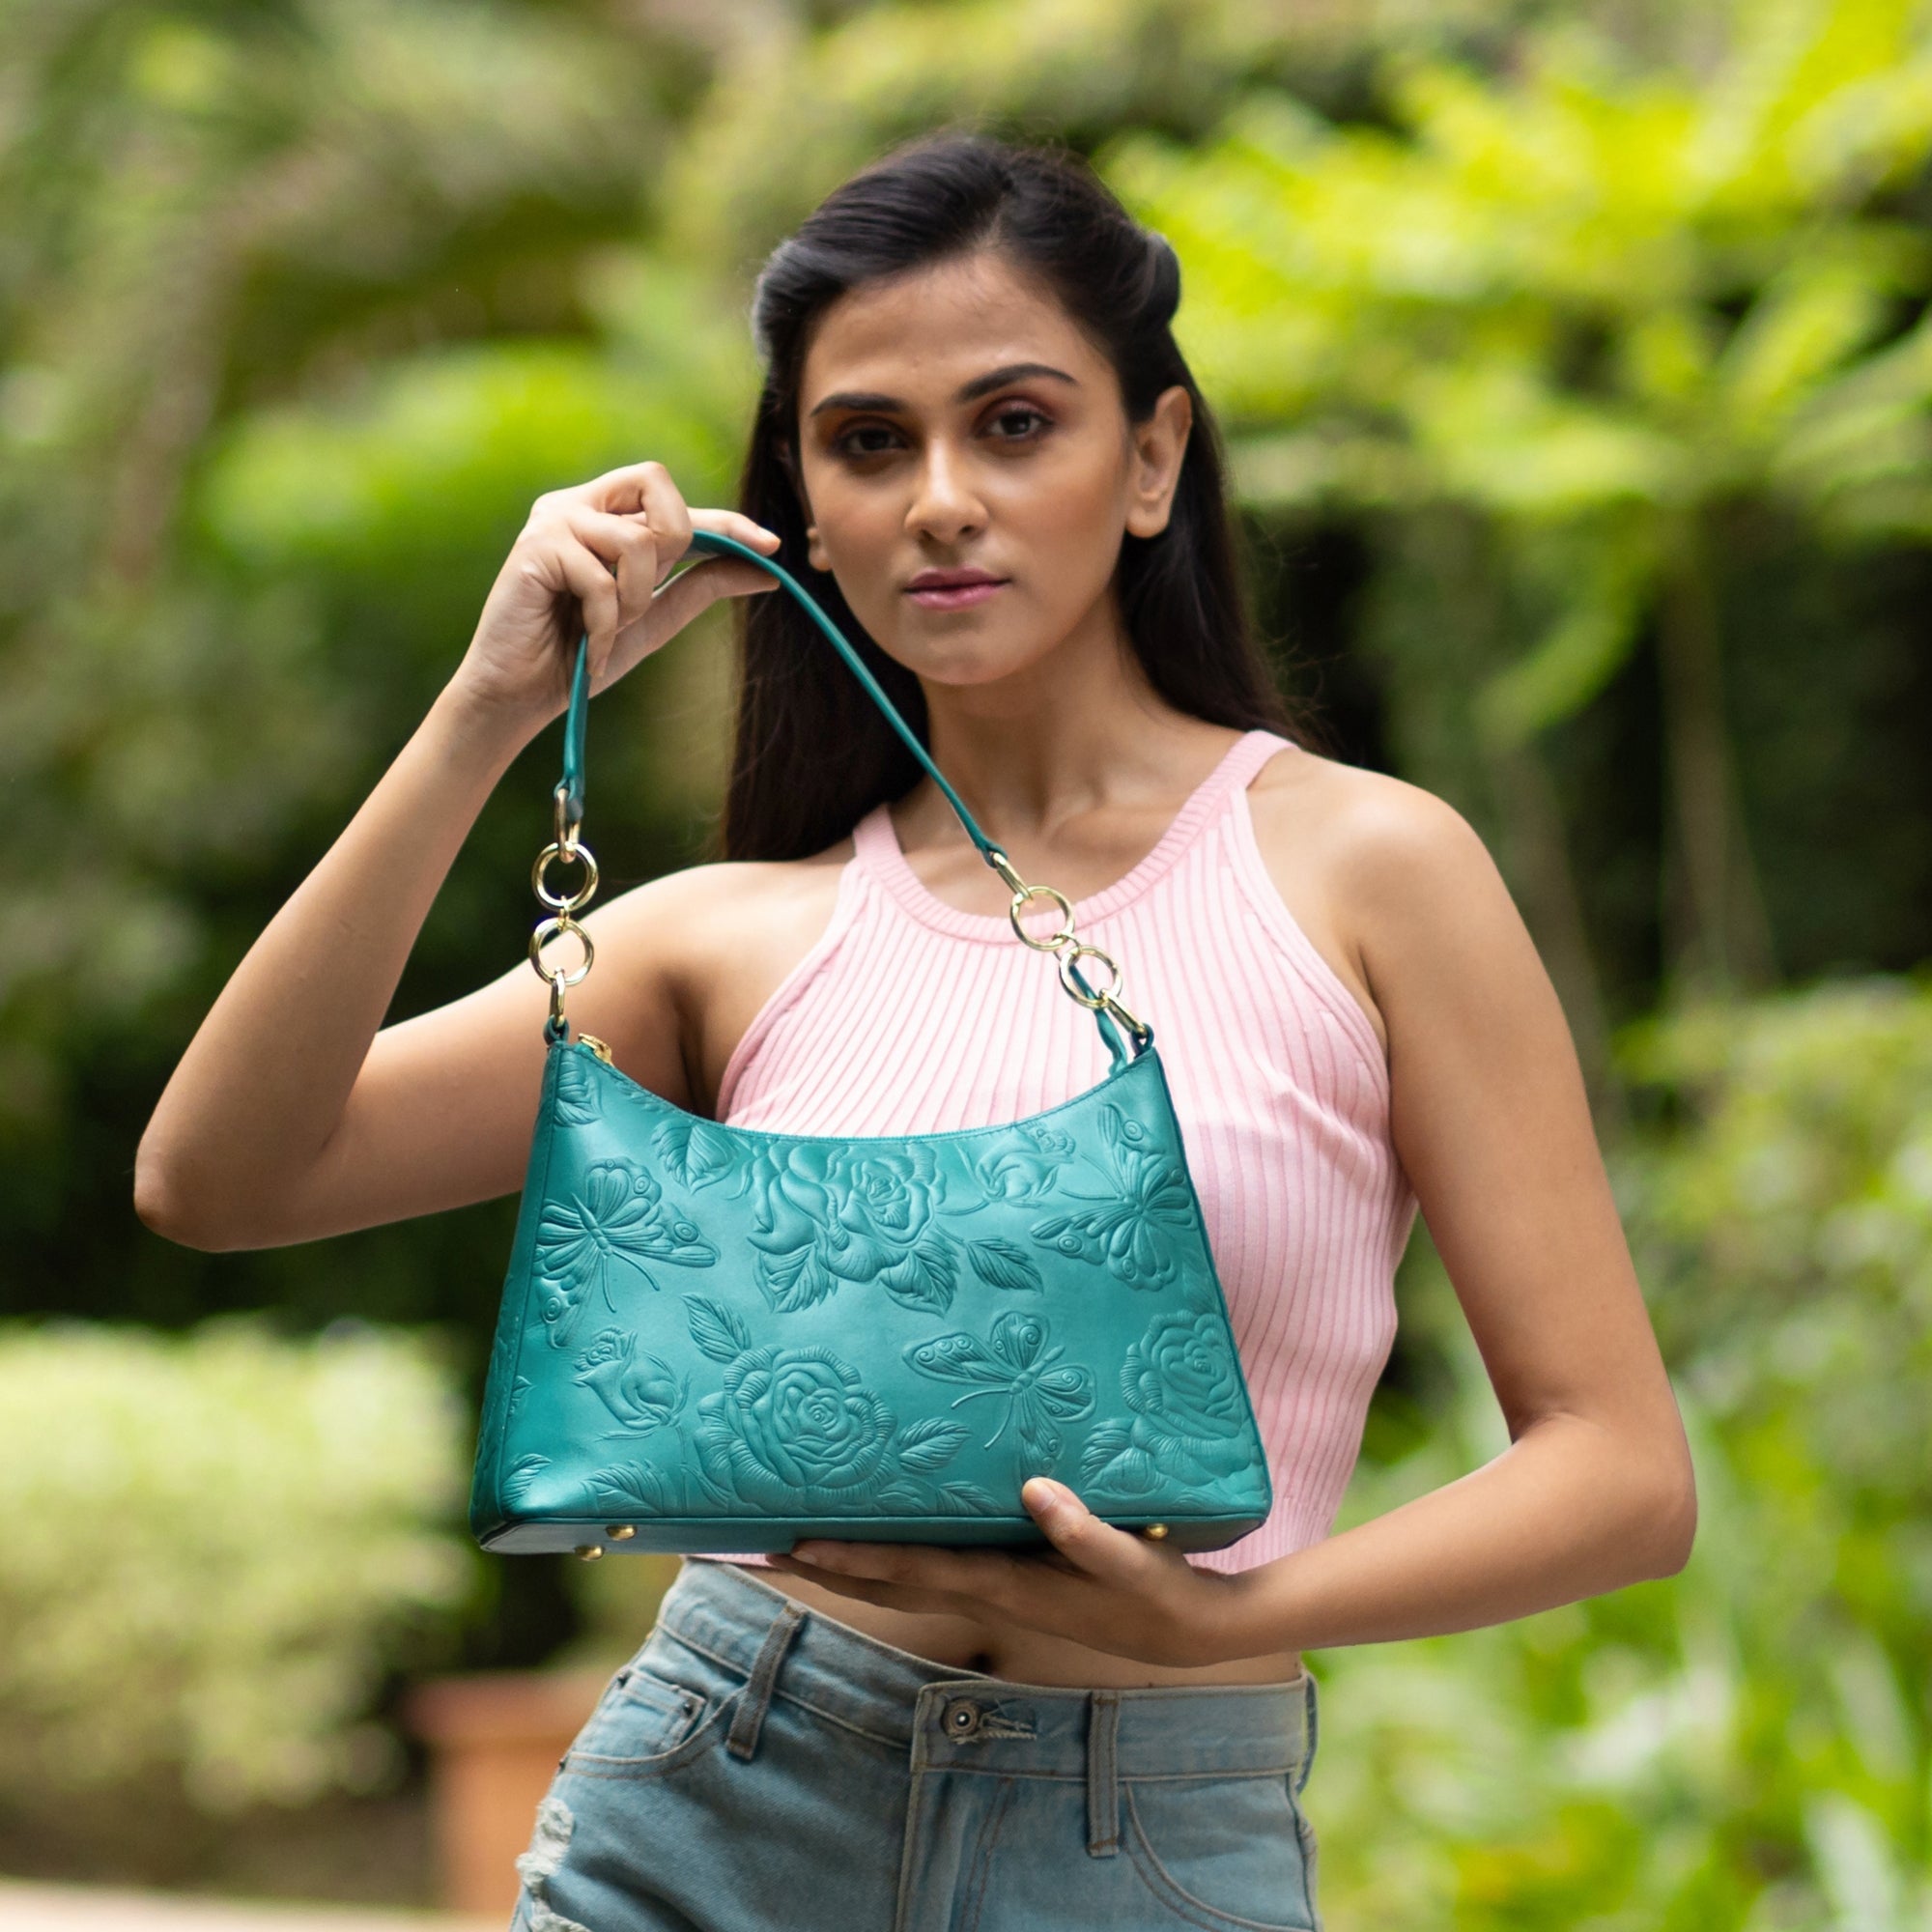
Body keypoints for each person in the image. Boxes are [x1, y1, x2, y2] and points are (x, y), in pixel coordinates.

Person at [135, 132, 1696, 1932]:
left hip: (1148, 1839)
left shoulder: (1368, 871)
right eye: (870, 442)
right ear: (802, 495)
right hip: (717, 1804)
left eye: (1016, 423)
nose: (941, 497)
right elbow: (220, 1176)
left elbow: (1618, 1466)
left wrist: (1232, 1617)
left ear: (1153, 457)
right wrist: (493, 707)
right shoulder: (732, 936)